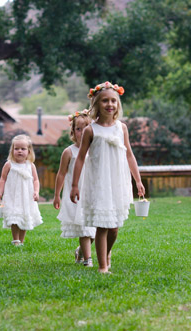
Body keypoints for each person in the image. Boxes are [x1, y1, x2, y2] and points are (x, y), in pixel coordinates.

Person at [70, 81, 145, 273]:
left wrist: (138, 180)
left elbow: (129, 155)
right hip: (99, 182)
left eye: (113, 100)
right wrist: (74, 185)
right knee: (102, 226)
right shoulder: (90, 130)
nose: (109, 104)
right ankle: (103, 266)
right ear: (96, 105)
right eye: (104, 101)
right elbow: (79, 159)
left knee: (114, 228)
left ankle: (106, 253)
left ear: (118, 104)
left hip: (117, 182)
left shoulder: (122, 128)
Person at [53, 110, 96, 267]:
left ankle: (80, 250)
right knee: (84, 227)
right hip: (76, 194)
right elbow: (61, 174)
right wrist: (57, 194)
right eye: (79, 129)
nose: (83, 132)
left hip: (93, 193)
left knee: (95, 230)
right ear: (73, 132)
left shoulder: (96, 150)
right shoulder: (69, 152)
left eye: (87, 128)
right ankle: (88, 260)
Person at [0, 135, 43, 246]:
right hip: (12, 196)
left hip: (26, 196)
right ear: (12, 150)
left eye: (23, 149)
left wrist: (36, 191)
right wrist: (0, 192)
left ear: (29, 151)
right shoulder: (9, 164)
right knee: (14, 216)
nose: (19, 151)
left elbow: (36, 180)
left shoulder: (30, 166)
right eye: (16, 149)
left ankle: (21, 240)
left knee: (24, 215)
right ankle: (15, 239)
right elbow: (3, 179)